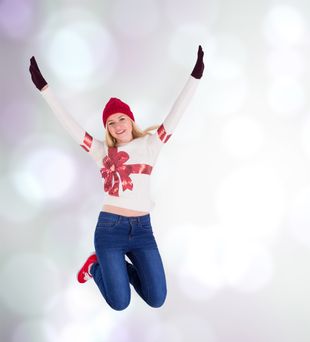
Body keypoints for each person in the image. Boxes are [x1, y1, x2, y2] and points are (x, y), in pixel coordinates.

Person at [29, 46, 205, 311]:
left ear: (131, 120)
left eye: (121, 118)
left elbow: (176, 113)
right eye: (111, 123)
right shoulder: (102, 151)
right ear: (107, 129)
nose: (117, 125)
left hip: (143, 231)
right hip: (110, 230)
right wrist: (45, 89)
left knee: (156, 298)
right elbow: (69, 123)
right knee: (119, 302)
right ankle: (97, 266)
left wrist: (196, 75)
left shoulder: (151, 144)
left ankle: (111, 266)